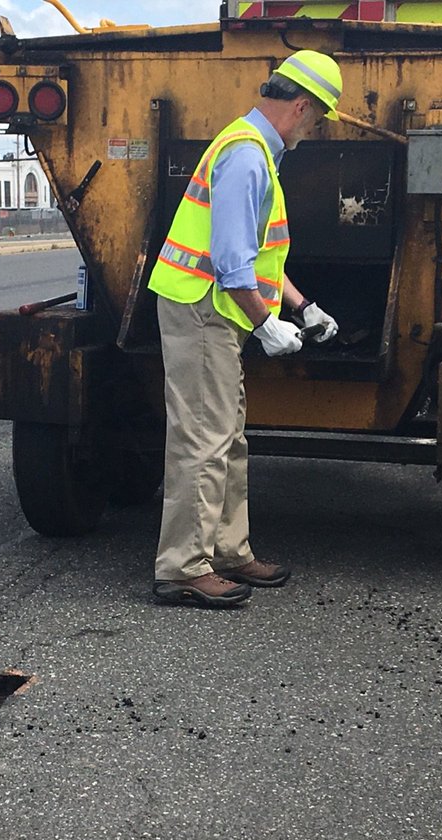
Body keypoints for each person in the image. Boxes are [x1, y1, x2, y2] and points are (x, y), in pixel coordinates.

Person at [146, 50, 342, 608]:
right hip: (205, 309)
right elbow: (231, 259)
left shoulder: (253, 150)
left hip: (212, 311)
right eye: (319, 117)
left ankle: (229, 551)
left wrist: (302, 306)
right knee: (202, 441)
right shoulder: (248, 155)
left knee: (227, 439)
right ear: (301, 106)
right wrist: (267, 324)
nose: (317, 129)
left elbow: (258, 258)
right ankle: (183, 566)